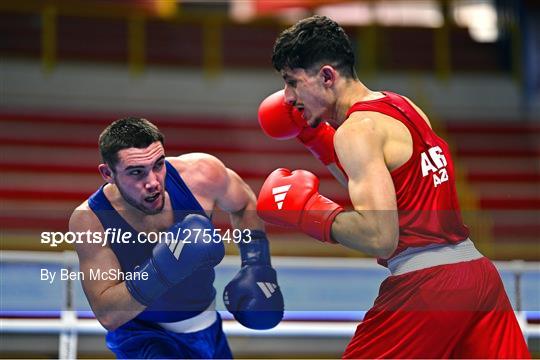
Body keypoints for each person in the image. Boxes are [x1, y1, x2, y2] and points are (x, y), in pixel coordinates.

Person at [256, 15, 530, 358]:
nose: (287, 97)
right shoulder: (402, 106)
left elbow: (380, 236)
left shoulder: (356, 132)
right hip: (478, 276)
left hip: (429, 288)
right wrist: (315, 138)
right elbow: (384, 190)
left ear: (327, 76)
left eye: (292, 82)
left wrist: (308, 212)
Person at [69, 117, 284, 359]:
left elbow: (244, 203)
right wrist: (164, 268)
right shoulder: (91, 219)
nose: (152, 182)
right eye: (137, 172)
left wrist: (256, 262)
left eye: (158, 165)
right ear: (108, 173)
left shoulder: (201, 175)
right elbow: (108, 314)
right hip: (142, 339)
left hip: (207, 329)